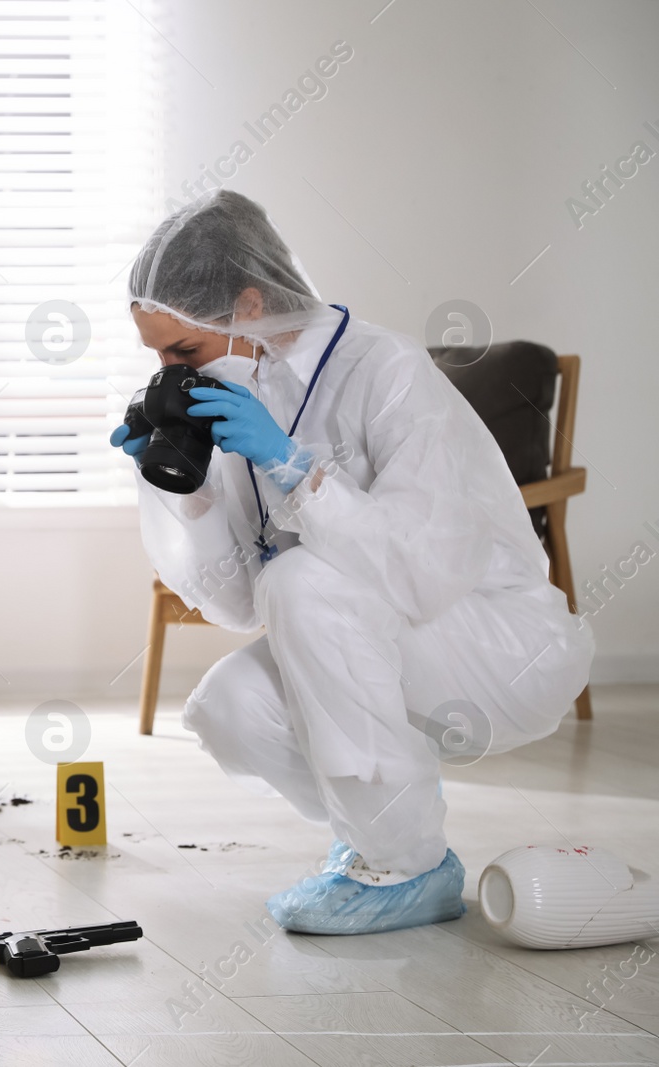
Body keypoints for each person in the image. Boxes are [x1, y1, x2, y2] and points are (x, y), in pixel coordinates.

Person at [112, 190, 593, 934]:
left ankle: (406, 864)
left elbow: (423, 572)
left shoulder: (386, 370)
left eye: (184, 352)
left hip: (494, 644)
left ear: (245, 305)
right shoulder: (246, 388)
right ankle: (385, 835)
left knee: (303, 580)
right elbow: (242, 601)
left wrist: (292, 467)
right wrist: (187, 492)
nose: (174, 372)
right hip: (372, 639)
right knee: (227, 707)